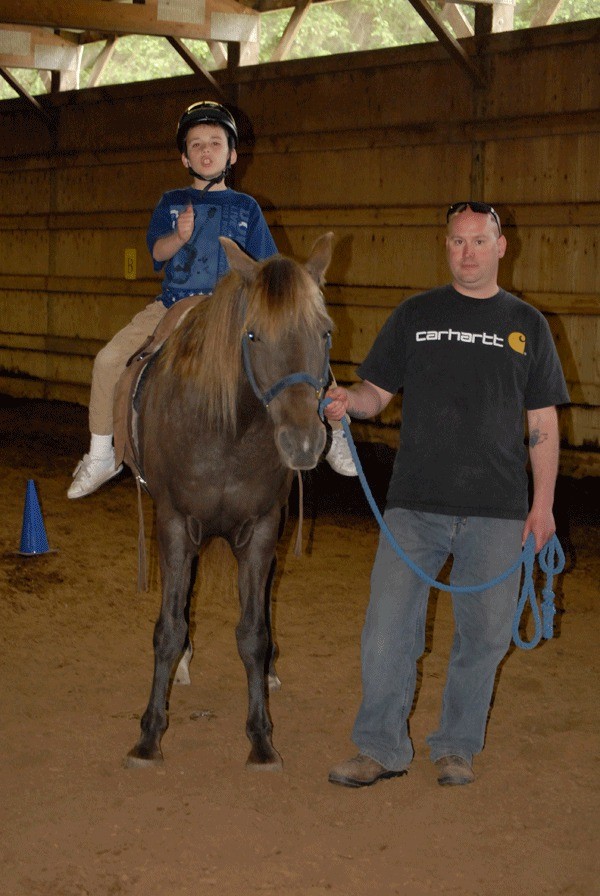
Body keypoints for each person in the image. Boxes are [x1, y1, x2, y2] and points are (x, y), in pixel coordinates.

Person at [325, 201, 569, 788]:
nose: (467, 252)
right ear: (446, 246)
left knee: (482, 638)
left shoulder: (529, 325)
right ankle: (381, 747)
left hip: (498, 510)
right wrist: (345, 403)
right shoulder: (415, 314)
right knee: (386, 629)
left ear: (500, 246)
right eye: (457, 242)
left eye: (479, 241)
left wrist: (543, 506)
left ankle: (456, 746)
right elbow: (375, 393)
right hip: (414, 505)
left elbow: (543, 424)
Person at [68, 100, 355, 498]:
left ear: (232, 154)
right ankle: (101, 452)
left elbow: (269, 265)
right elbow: (158, 253)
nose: (206, 151)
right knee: (108, 361)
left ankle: (336, 431)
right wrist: (179, 238)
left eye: (216, 143)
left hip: (234, 306)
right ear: (184, 157)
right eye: (197, 144)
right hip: (174, 302)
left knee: (300, 345)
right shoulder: (170, 202)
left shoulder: (246, 207)